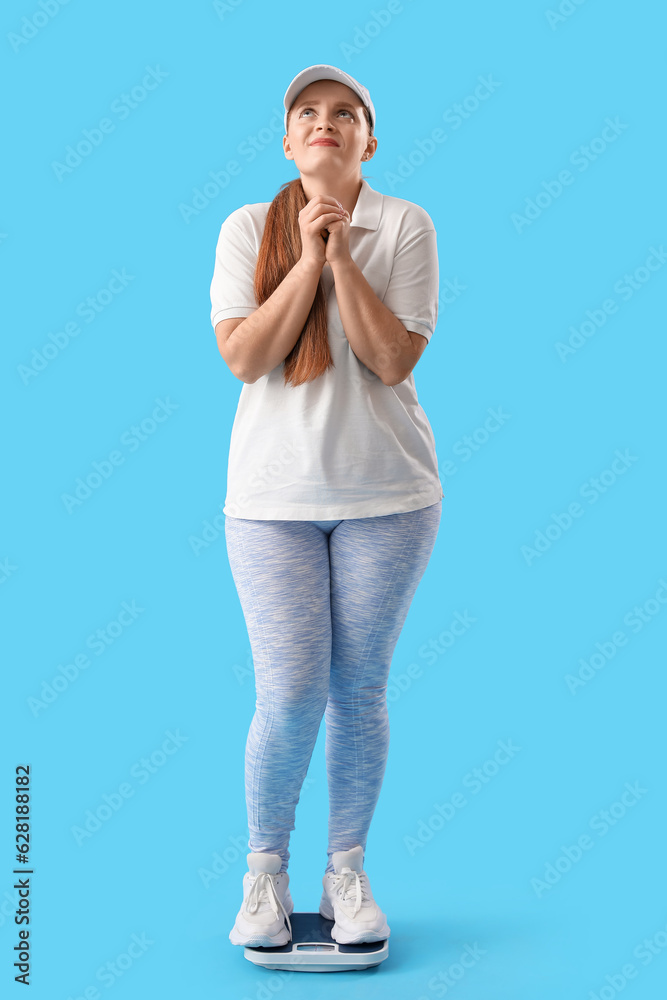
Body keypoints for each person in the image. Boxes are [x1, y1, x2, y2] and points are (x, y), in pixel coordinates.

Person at [209, 64, 444, 950]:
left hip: (387, 494)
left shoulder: (406, 224)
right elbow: (246, 356)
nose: (325, 122)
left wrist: (344, 256)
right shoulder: (245, 228)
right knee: (287, 691)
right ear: (286, 141)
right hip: (270, 500)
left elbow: (391, 360)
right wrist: (306, 257)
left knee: (359, 688)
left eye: (344, 113)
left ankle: (346, 872)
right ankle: (263, 875)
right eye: (306, 112)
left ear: (366, 139)